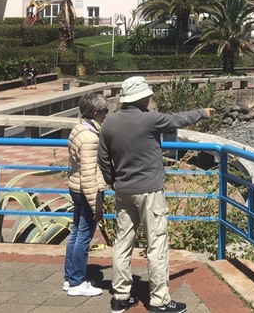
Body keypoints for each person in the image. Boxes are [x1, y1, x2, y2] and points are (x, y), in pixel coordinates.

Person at [97, 75, 214, 313]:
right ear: (140, 98)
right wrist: (202, 111)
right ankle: (159, 300)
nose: (151, 98)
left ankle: (120, 297)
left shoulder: (109, 123)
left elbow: (103, 159)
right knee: (157, 244)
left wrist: (114, 181)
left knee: (123, 242)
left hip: (124, 190)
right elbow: (178, 119)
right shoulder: (150, 119)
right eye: (148, 95)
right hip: (149, 190)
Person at [63, 92, 110, 297]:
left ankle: (70, 277)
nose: (107, 115)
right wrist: (97, 207)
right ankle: (76, 282)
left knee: (75, 233)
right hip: (87, 190)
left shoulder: (78, 129)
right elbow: (90, 175)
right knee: (83, 236)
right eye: (106, 111)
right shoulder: (91, 138)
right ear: (97, 113)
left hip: (75, 187)